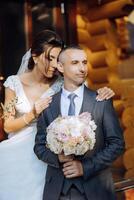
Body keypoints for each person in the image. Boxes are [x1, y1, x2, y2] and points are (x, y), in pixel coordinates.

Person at [0, 29, 114, 200]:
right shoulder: (14, 83)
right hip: (20, 154)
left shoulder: (61, 82)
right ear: (35, 56)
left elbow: (83, 97)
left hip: (52, 152)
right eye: (49, 58)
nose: (54, 64)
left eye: (57, 59)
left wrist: (102, 92)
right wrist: (33, 113)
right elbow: (7, 125)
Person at [34, 46, 125, 200]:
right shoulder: (48, 105)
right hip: (58, 191)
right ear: (61, 67)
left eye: (84, 62)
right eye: (75, 63)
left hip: (95, 189)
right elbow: (39, 146)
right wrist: (58, 158)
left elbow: (116, 144)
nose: (82, 68)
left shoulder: (101, 100)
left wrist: (85, 167)